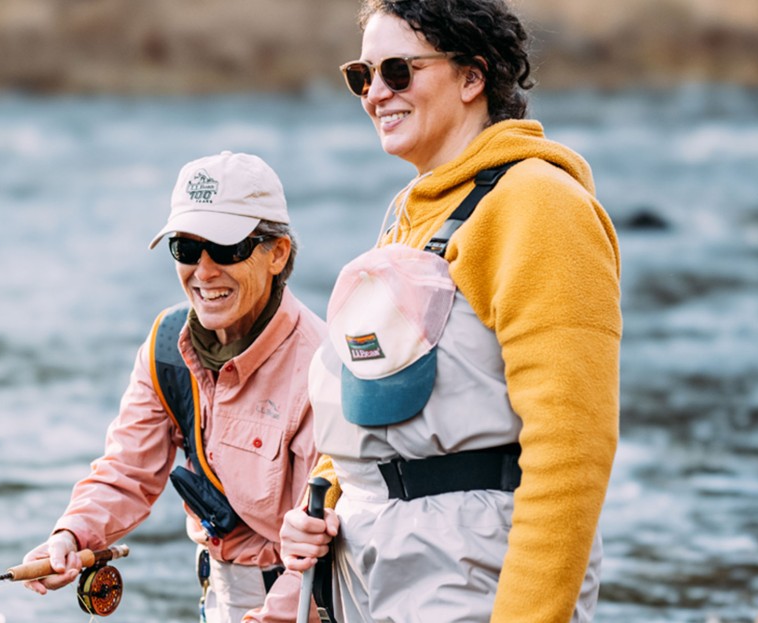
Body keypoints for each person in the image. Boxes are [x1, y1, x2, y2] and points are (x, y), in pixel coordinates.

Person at [278, 1, 621, 622]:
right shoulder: (411, 217)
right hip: (367, 584)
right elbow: (377, 419)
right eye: (363, 75)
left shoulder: (539, 206)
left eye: (398, 72)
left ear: (472, 77)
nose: (375, 94)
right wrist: (319, 499)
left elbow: (572, 448)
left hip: (470, 585)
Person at [22, 151, 327, 623]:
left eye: (226, 250)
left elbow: (325, 547)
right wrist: (72, 535)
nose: (203, 272)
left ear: (278, 253)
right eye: (185, 248)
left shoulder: (323, 370)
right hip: (217, 592)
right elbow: (127, 471)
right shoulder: (166, 346)